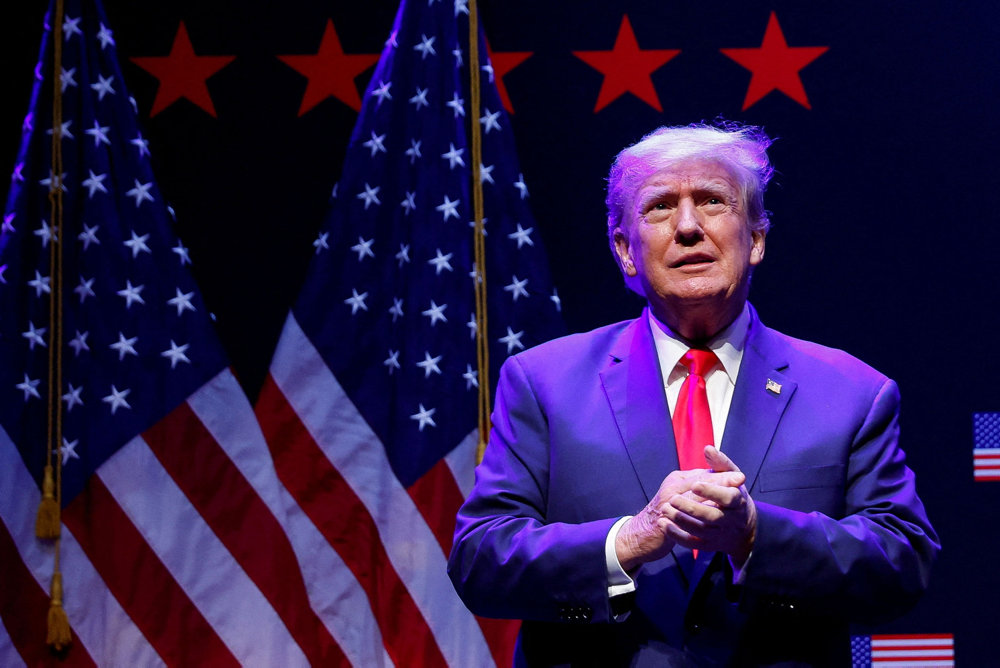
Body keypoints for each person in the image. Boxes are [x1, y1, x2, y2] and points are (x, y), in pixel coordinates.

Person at [447, 123, 940, 666]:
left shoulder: (852, 393)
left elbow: (902, 564)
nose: (687, 227)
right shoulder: (543, 382)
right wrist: (628, 541)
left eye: (712, 200)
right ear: (625, 250)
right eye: (659, 207)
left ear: (754, 238)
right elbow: (479, 560)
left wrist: (755, 533)